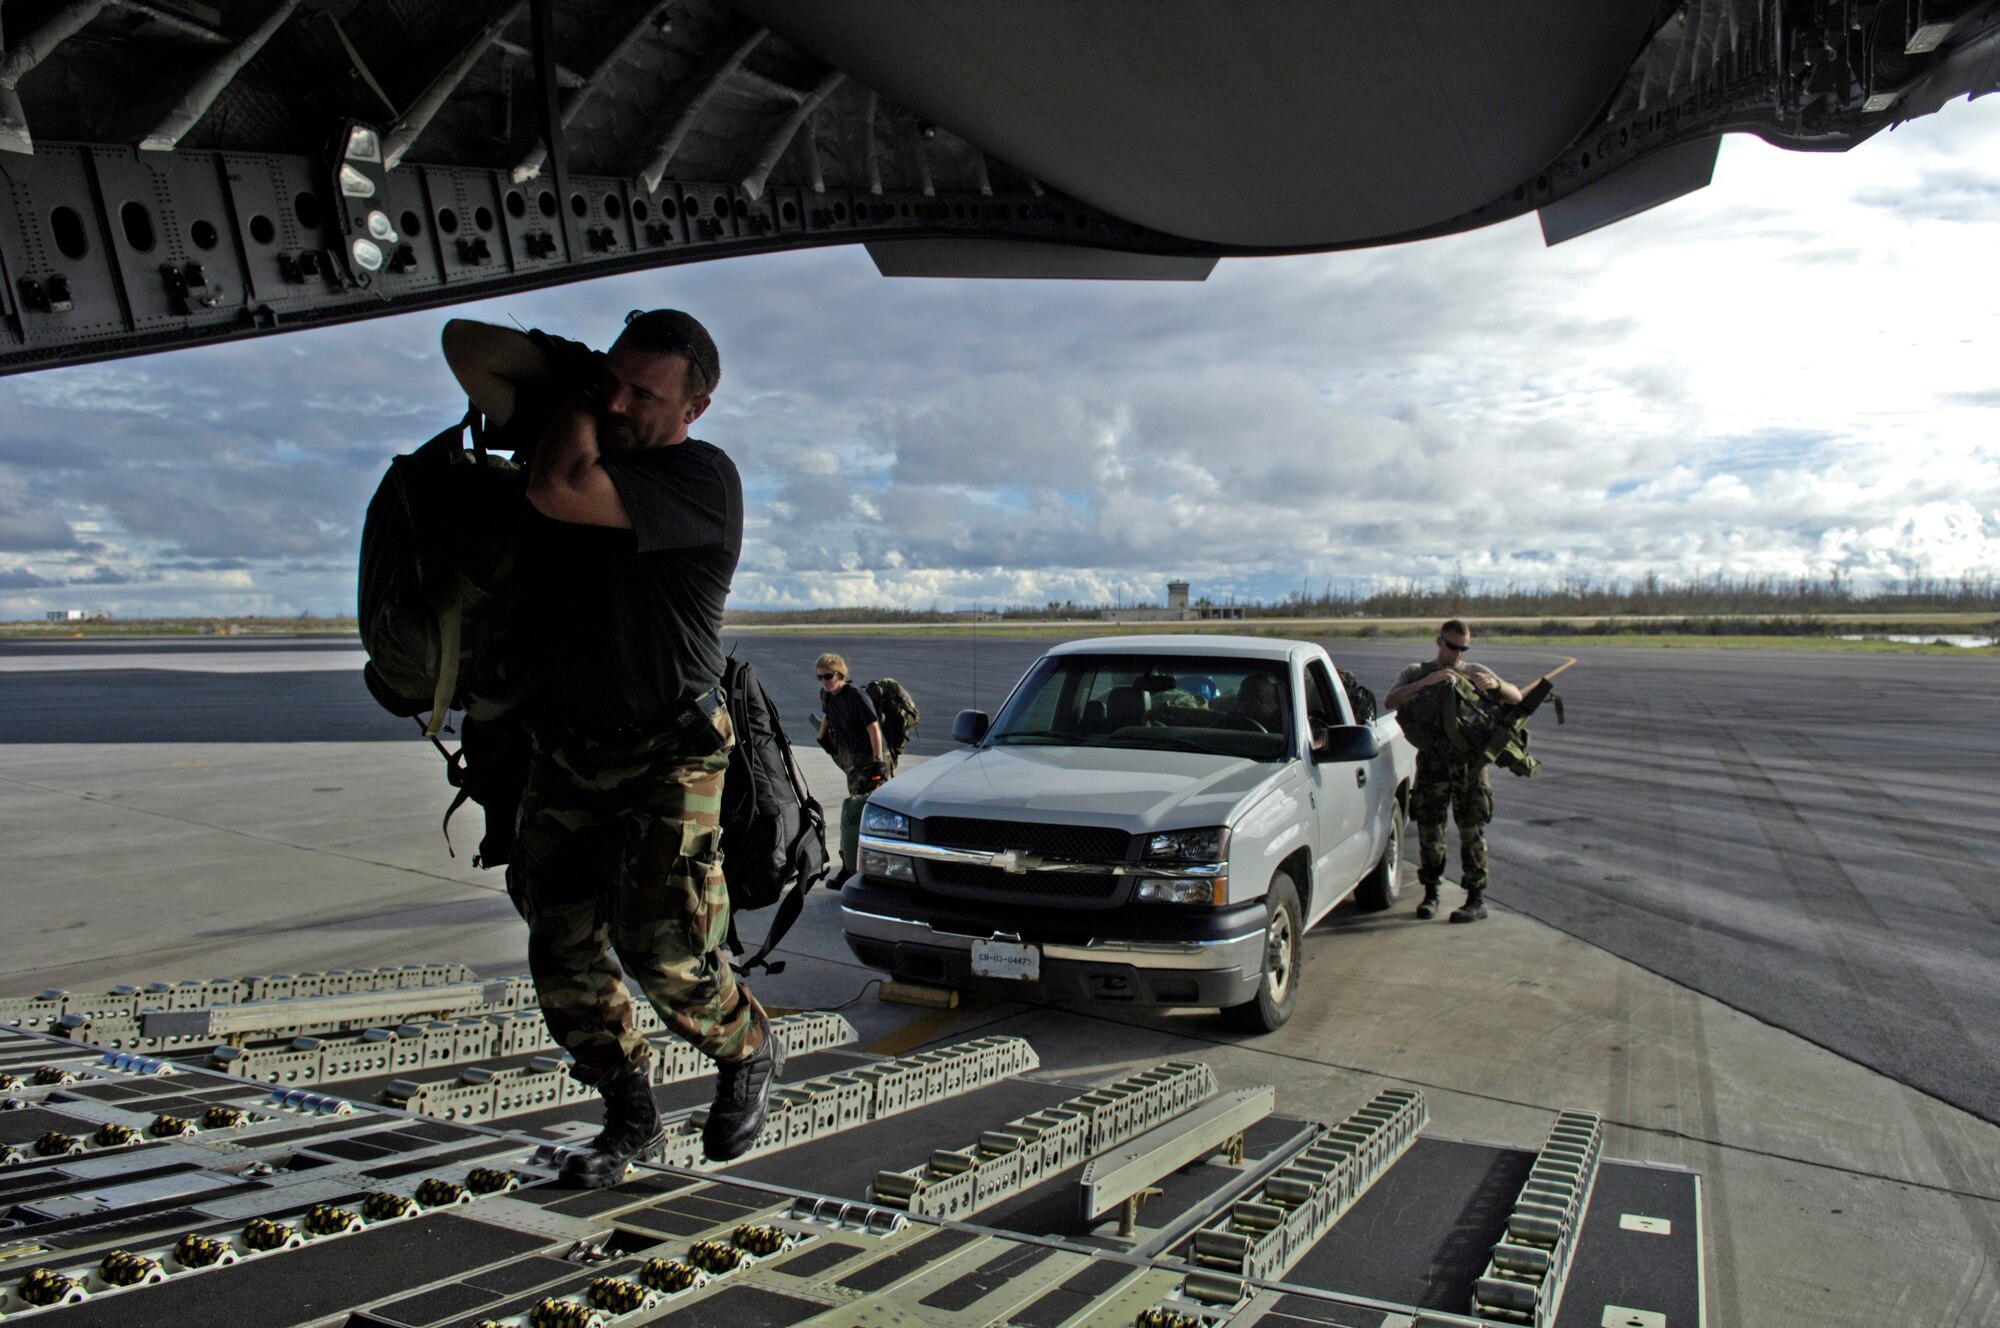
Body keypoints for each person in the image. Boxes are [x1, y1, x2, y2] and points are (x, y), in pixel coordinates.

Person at [440, 308, 783, 1183]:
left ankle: (746, 1048)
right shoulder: (587, 414)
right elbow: (464, 344)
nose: (624, 404)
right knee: (558, 945)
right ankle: (629, 1118)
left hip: (669, 747)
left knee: (661, 948)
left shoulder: (699, 476)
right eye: (616, 385)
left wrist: (583, 404)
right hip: (567, 744)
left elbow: (558, 487)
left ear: (694, 408)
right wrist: (582, 373)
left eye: (645, 393)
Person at [1384, 619, 1522, 923]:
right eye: (1452, 646)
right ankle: (1431, 893)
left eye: (1464, 648)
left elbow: (1517, 697)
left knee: (1472, 829)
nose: (1458, 653)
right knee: (1430, 829)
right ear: (1439, 642)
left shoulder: (1474, 673)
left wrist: (1496, 686)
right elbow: (1391, 700)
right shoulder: (1416, 672)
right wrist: (1426, 684)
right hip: (1433, 763)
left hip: (1469, 767)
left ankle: (1476, 898)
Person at [812, 654, 890, 876]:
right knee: (857, 812)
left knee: (863, 813)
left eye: (828, 676)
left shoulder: (854, 695)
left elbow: (873, 727)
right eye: (820, 677)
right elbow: (828, 714)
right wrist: (822, 735)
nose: (824, 681)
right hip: (854, 762)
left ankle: (855, 868)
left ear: (840, 674)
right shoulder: (828, 696)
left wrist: (879, 763)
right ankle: (854, 864)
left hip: (871, 759)